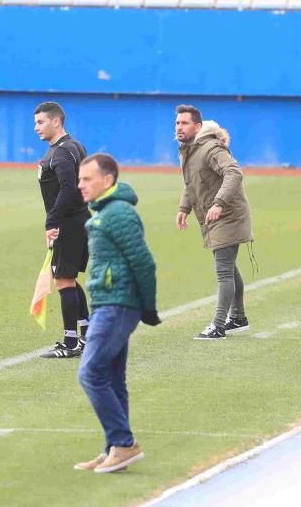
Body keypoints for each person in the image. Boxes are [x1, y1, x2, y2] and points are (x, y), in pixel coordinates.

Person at [73, 153, 161, 474]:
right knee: (111, 378)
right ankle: (115, 447)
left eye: (87, 179)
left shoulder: (118, 214)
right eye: (80, 179)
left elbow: (143, 261)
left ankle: (123, 443)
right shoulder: (103, 213)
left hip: (118, 304)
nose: (80, 185)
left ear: (107, 180)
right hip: (107, 302)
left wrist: (148, 307)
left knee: (91, 373)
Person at [174, 105, 254, 341]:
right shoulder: (188, 150)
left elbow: (234, 172)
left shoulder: (210, 148)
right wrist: (183, 208)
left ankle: (218, 326)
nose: (179, 127)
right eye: (177, 123)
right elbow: (192, 184)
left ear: (197, 127)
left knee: (223, 270)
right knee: (228, 266)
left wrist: (219, 203)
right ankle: (238, 318)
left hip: (228, 214)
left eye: (184, 123)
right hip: (213, 214)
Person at [33, 101, 92, 359]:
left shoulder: (61, 152)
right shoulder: (74, 146)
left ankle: (71, 343)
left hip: (69, 222)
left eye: (40, 122)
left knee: (64, 280)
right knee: (67, 278)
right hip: (78, 219)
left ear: (56, 121)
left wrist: (52, 222)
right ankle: (87, 335)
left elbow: (69, 189)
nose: (36, 128)